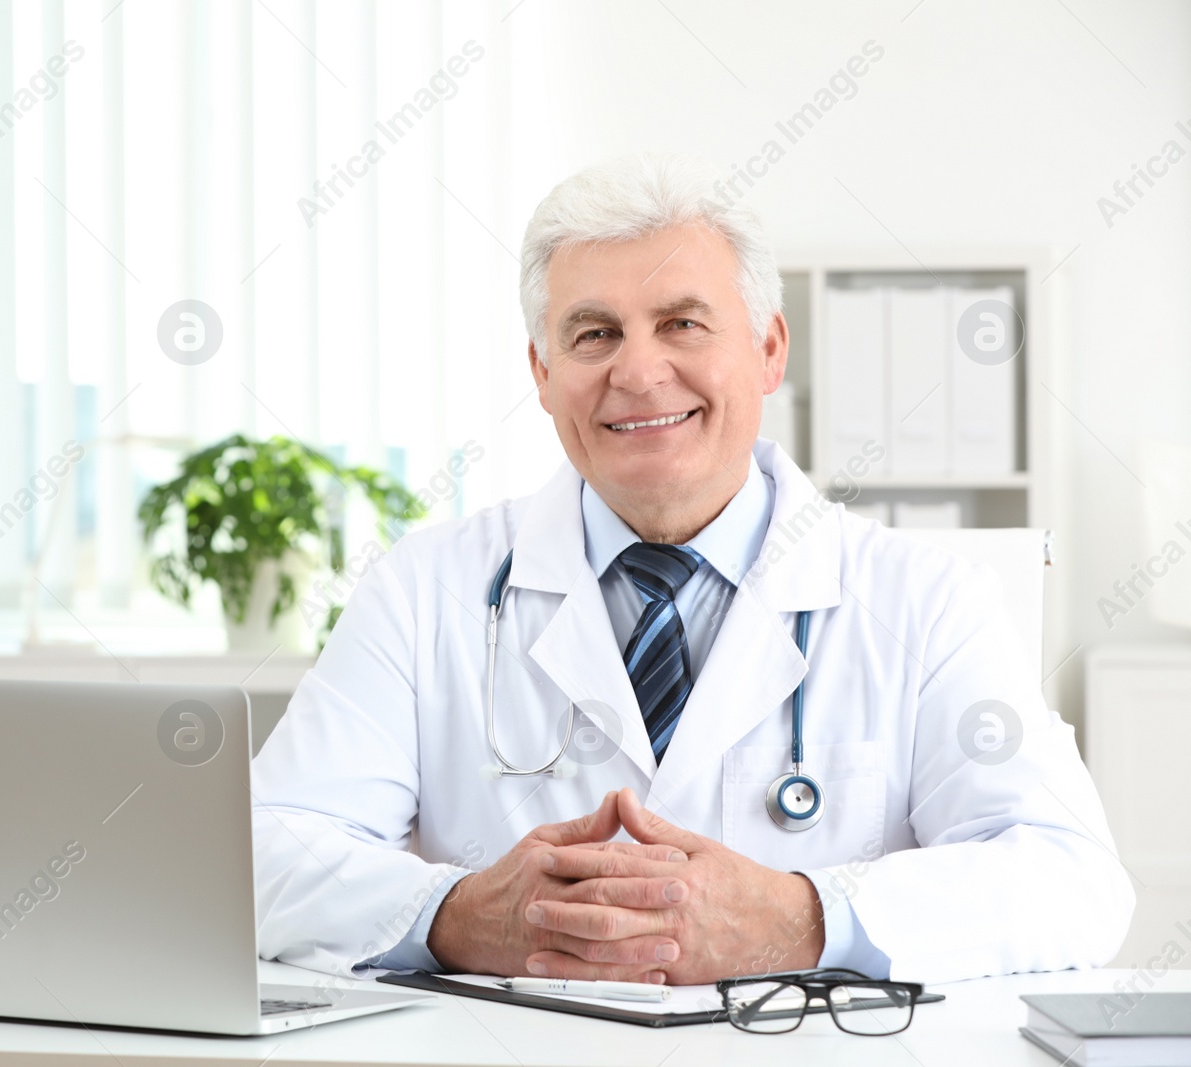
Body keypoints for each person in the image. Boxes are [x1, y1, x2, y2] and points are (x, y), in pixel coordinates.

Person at [250, 152, 1133, 986]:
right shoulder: (425, 589)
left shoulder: (926, 599)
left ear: (769, 350)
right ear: (544, 373)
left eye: (682, 322)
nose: (638, 371)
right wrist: (452, 912)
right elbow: (263, 852)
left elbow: (1074, 881)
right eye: (594, 334)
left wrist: (805, 915)